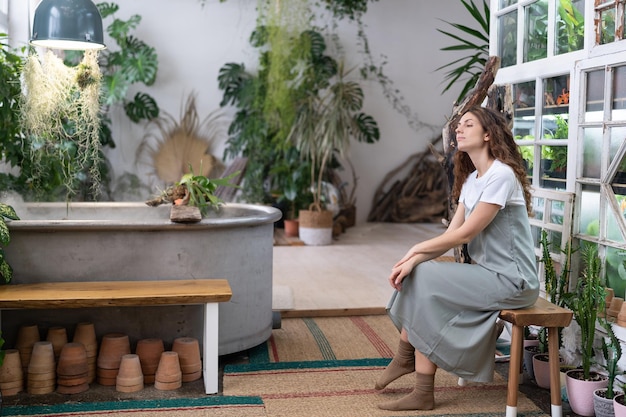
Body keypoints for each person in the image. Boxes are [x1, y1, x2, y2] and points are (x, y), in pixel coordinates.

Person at [375, 106, 539, 411]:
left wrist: (413, 253)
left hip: (514, 280)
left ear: (488, 134)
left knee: (421, 274)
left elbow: (464, 236)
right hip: (488, 274)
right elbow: (452, 233)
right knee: (419, 275)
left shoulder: (500, 175)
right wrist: (414, 259)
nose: (458, 130)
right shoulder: (472, 180)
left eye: (468, 125)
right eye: (458, 126)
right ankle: (415, 376)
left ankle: (406, 359)